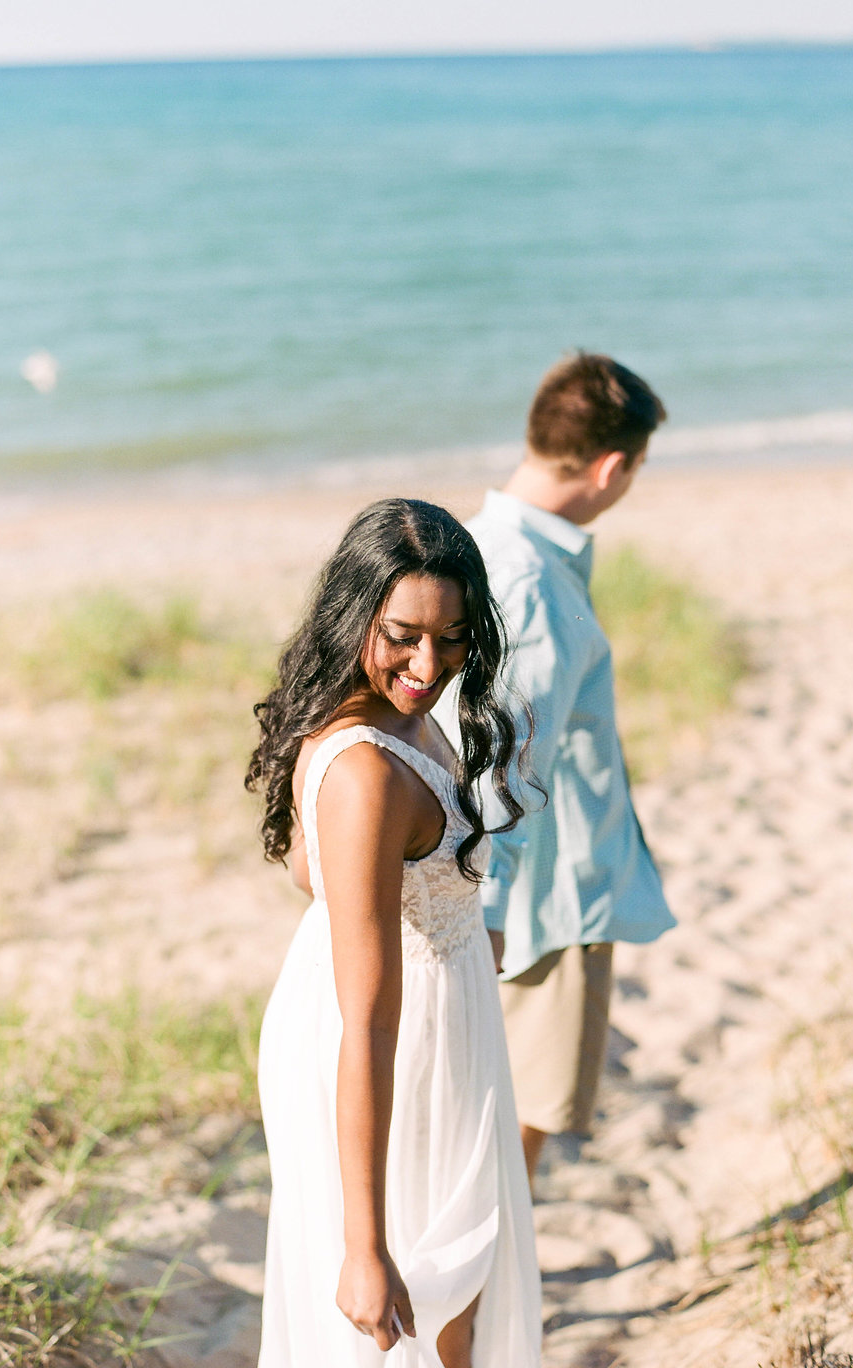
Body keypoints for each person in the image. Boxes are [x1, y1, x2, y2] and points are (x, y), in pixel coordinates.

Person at [246, 498, 542, 1368]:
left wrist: (453, 925)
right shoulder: (365, 771)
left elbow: (317, 875)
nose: (429, 664)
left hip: (431, 1015)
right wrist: (361, 1243)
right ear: (356, 614)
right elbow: (367, 1021)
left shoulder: (387, 713)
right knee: (425, 1297)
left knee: (458, 1291)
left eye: (453, 638)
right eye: (404, 634)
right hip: (387, 1046)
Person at [435, 353, 676, 1186]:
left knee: (492, 1121)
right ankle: (489, 1300)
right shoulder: (534, 581)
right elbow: (502, 758)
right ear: (612, 467)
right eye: (636, 468)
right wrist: (490, 912)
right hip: (543, 902)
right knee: (515, 1129)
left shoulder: (477, 541)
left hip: (511, 894)